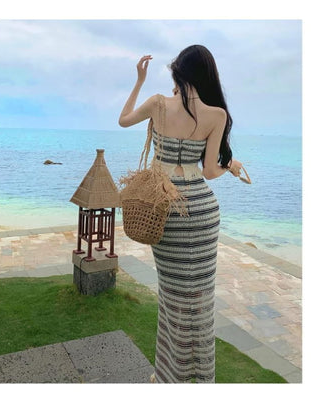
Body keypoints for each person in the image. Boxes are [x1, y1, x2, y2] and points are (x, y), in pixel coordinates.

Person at [119, 45, 243, 383]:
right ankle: (201, 378)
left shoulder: (158, 103)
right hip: (202, 211)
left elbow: (123, 120)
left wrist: (139, 81)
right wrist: (231, 165)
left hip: (167, 208)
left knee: (172, 296)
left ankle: (169, 375)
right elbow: (210, 171)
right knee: (200, 299)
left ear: (179, 72)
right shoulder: (216, 114)